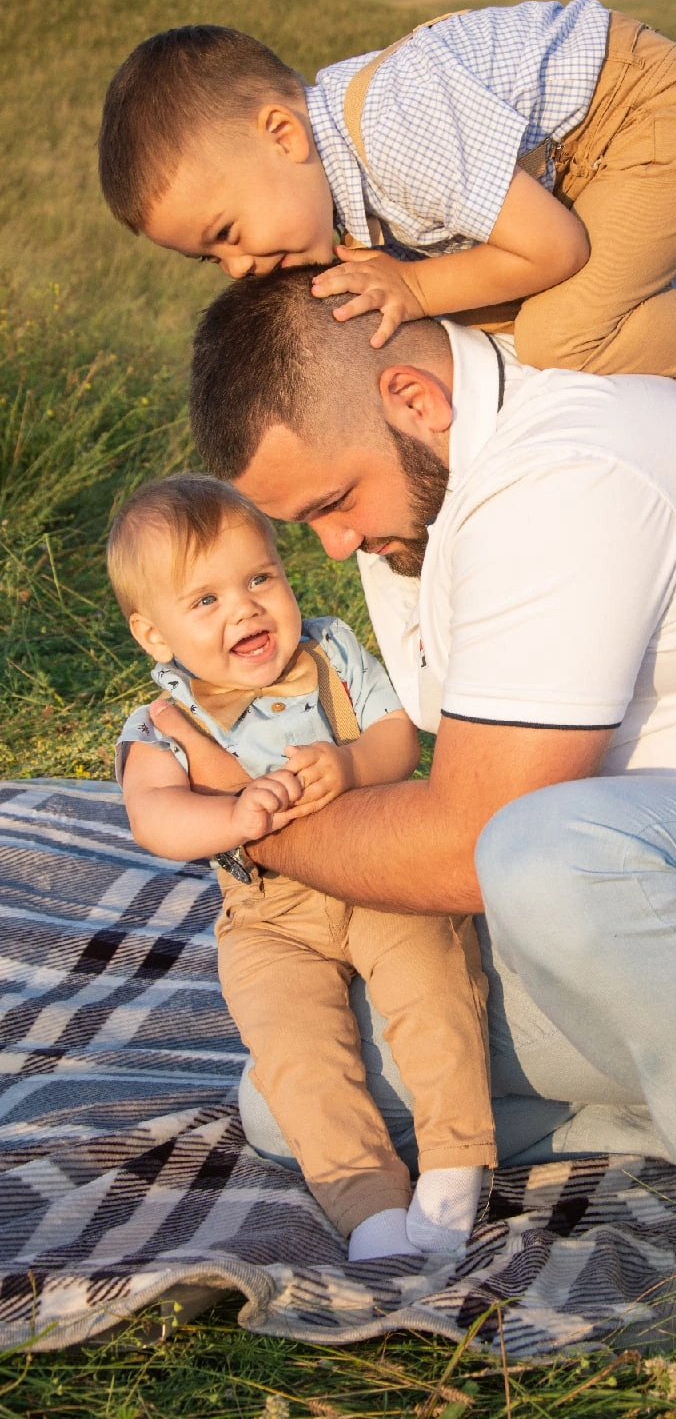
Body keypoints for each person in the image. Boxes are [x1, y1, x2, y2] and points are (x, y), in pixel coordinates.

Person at [173, 269, 676, 1386]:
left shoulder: (570, 466)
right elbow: (424, 752)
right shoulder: (429, 505)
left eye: (331, 502)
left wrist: (252, 827)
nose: (330, 545)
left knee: (538, 849)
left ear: (414, 399)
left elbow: (472, 837)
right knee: (292, 1105)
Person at [108, 474, 496, 1262]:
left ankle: (457, 1163)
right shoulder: (164, 721)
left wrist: (350, 765)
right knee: (297, 1053)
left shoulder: (333, 652)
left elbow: (399, 739)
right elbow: (153, 816)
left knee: (436, 991)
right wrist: (232, 816)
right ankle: (370, 1210)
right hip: (267, 917)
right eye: (205, 601)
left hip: (379, 875)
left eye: (259, 579)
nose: (246, 609)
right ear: (155, 637)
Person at [97, 1, 676, 380]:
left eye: (226, 233)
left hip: (657, 119)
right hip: (588, 158)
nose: (237, 267)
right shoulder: (349, 181)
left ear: (283, 135)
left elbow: (554, 246)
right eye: (210, 260)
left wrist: (413, 291)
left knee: (560, 337)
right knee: (476, 305)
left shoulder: (390, 127)